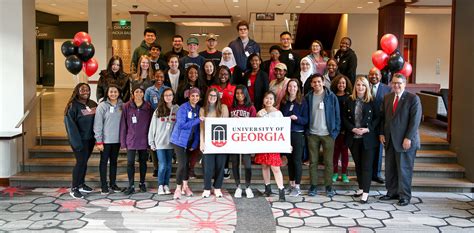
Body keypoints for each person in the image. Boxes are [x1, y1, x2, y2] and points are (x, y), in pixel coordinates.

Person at [379, 73, 422, 206]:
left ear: (404, 84)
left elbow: (415, 121)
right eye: (394, 83)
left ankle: (404, 196)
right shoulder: (387, 97)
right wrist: (381, 133)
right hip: (390, 139)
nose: (396, 85)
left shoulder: (413, 99)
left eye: (399, 83)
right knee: (390, 168)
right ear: (391, 83)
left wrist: (408, 138)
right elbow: (383, 118)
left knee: (404, 169)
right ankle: (392, 192)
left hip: (405, 141)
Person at [343, 76, 380, 203]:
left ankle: (366, 192)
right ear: (355, 86)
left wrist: (368, 129)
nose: (360, 87)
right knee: (358, 165)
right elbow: (344, 118)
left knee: (366, 166)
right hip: (354, 137)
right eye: (358, 85)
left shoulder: (373, 100)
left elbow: (377, 118)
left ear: (367, 87)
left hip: (368, 138)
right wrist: (352, 129)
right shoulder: (349, 100)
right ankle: (360, 187)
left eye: (363, 85)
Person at [305, 74, 340, 197]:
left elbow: (337, 116)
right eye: (314, 82)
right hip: (313, 134)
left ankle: (329, 186)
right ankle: (313, 186)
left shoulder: (331, 97)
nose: (317, 84)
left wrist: (334, 132)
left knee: (328, 162)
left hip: (328, 134)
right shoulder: (308, 97)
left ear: (323, 82)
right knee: (313, 162)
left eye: (319, 82)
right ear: (311, 84)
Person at [64, 83, 98, 199]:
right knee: (80, 162)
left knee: (84, 162)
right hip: (79, 140)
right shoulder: (72, 106)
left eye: (87, 89)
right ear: (77, 91)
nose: (85, 91)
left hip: (90, 139)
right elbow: (70, 126)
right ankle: (74, 188)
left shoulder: (93, 104)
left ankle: (81, 184)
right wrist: (77, 143)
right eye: (82, 90)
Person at [120, 84, 153, 195]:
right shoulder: (126, 106)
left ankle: (142, 183)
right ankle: (131, 184)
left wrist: (150, 140)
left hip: (144, 139)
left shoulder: (148, 107)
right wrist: (123, 142)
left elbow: (150, 125)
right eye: (136, 92)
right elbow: (123, 125)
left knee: (143, 162)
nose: (139, 94)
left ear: (144, 94)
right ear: (133, 94)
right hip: (131, 139)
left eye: (141, 92)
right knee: (130, 163)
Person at [170, 87, 202, 199]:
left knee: (187, 165)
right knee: (182, 164)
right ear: (189, 96)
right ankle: (178, 189)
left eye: (197, 96)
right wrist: (198, 120)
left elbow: (197, 129)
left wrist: (195, 143)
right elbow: (181, 125)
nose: (195, 98)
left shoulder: (198, 109)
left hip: (190, 141)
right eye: (193, 95)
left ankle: (185, 186)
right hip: (179, 140)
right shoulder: (183, 108)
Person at [255, 91, 286, 201]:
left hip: (273, 144)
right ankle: (267, 188)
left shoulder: (278, 113)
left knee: (275, 167)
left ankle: (281, 190)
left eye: (271, 98)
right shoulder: (259, 113)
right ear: (263, 100)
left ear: (274, 101)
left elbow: (283, 130)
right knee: (264, 166)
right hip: (262, 144)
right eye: (266, 98)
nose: (268, 100)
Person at [280, 79, 309, 197]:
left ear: (298, 88)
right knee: (290, 161)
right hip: (287, 134)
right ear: (287, 88)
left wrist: (297, 118)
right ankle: (291, 184)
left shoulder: (302, 101)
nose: (292, 88)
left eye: (294, 86)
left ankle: (297, 186)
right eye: (290, 86)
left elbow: (306, 120)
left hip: (298, 134)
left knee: (297, 160)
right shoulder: (284, 101)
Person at [93, 84, 124, 194]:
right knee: (104, 162)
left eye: (115, 92)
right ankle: (104, 185)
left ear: (119, 93)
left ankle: (113, 183)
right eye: (111, 92)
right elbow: (97, 124)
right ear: (107, 93)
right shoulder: (102, 106)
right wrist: (99, 140)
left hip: (117, 140)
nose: (113, 94)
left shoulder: (122, 105)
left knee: (114, 163)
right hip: (105, 141)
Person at [199, 88, 229, 198]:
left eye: (215, 96)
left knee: (220, 166)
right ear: (207, 96)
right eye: (210, 95)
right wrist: (202, 142)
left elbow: (227, 125)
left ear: (218, 97)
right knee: (208, 166)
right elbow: (201, 128)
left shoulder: (223, 108)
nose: (212, 98)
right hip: (208, 142)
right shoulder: (202, 110)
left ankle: (217, 188)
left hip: (221, 141)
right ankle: (207, 188)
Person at [148, 88, 178, 195]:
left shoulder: (177, 109)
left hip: (171, 143)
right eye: (166, 95)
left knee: (169, 165)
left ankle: (166, 185)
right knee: (163, 165)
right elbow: (152, 127)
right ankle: (160, 185)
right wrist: (151, 142)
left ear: (173, 96)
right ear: (163, 97)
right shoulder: (158, 110)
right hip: (160, 142)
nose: (168, 97)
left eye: (170, 95)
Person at [229, 85, 257, 198]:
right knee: (235, 164)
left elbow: (254, 125)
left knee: (247, 165)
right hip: (234, 140)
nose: (239, 95)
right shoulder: (232, 107)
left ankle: (248, 186)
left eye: (242, 93)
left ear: (246, 94)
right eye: (237, 93)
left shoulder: (251, 107)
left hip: (246, 140)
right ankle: (238, 186)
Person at [368, 67, 391, 184]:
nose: (374, 76)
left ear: (380, 76)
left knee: (378, 150)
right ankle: (366, 173)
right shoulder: (364, 86)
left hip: (381, 124)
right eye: (371, 74)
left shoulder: (387, 89)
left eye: (376, 74)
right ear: (368, 75)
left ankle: (376, 174)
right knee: (366, 150)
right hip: (366, 124)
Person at [330, 74, 353, 183]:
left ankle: (344, 174)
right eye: (339, 83)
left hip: (345, 129)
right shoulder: (331, 96)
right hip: (334, 129)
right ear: (336, 84)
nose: (341, 85)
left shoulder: (350, 97)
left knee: (344, 152)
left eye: (343, 83)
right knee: (335, 152)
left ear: (346, 84)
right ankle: (335, 173)